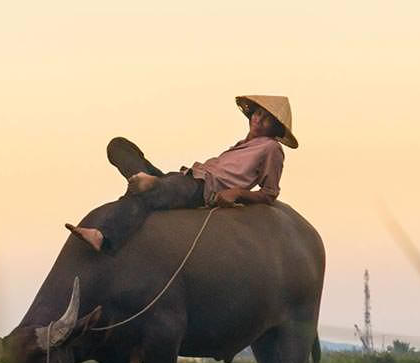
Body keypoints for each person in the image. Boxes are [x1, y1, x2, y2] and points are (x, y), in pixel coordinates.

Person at [66, 95, 297, 254]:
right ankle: (147, 181)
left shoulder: (271, 148)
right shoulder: (243, 143)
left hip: (203, 186)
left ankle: (105, 234)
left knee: (151, 192)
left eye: (266, 119)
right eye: (257, 113)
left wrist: (236, 192)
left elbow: (269, 193)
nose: (258, 119)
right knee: (118, 145)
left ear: (274, 128)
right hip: (183, 177)